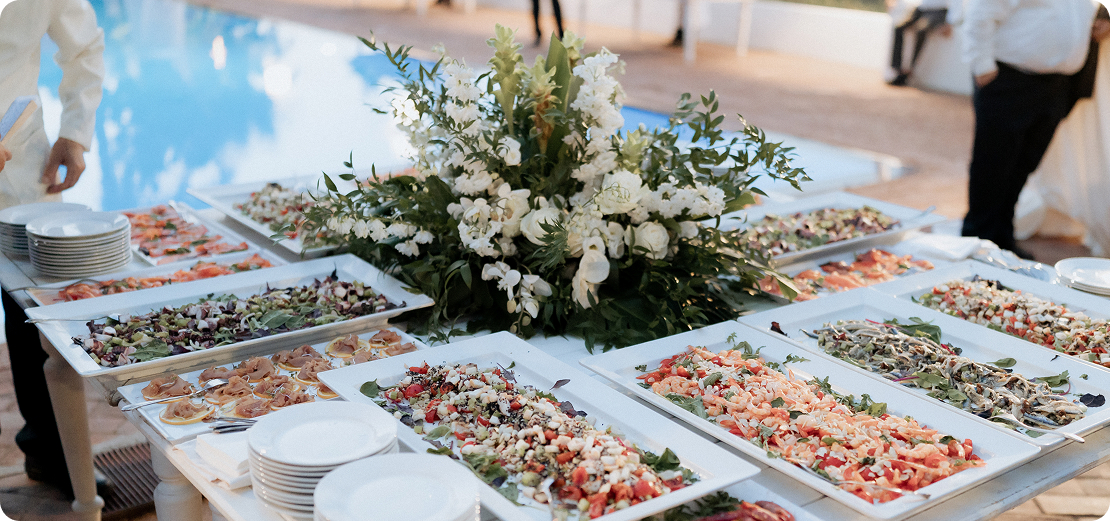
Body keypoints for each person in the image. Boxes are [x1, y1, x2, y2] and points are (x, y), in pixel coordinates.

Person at [0, 0, 105, 497]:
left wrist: (75, 132)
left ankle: (52, 453)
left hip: (23, 170)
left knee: (35, 319)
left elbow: (83, 44)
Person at [959, 0, 1106, 260]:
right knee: (993, 164)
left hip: (1057, 85)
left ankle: (1001, 238)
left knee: (1022, 165)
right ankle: (976, 241)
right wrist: (982, 65)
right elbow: (982, 11)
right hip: (1011, 80)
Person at [886, 0, 957, 86]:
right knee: (899, 28)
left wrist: (950, 22)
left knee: (921, 30)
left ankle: (909, 70)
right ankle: (897, 68)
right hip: (921, 8)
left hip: (938, 11)